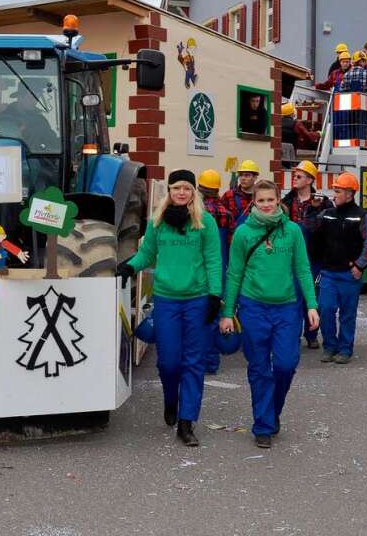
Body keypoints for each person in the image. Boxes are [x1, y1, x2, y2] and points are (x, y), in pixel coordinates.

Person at [117, 170, 221, 447]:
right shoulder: (157, 222)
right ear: (170, 192)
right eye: (177, 188)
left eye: (187, 188)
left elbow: (213, 259)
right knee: (168, 362)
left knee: (193, 363)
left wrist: (215, 295)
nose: (182, 193)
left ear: (194, 192)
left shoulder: (205, 222)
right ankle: (170, 399)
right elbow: (147, 254)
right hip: (166, 300)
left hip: (197, 299)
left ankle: (187, 422)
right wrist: (130, 265)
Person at [219, 180, 318, 449]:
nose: (265, 205)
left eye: (270, 200)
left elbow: (303, 269)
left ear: (278, 201)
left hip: (286, 308)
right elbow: (234, 273)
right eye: (260, 201)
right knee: (260, 368)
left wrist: (311, 305)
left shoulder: (293, 231)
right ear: (254, 203)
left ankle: (273, 411)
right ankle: (263, 424)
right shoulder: (243, 233)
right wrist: (227, 312)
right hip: (253, 308)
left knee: (286, 364)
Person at [309, 172, 367, 364]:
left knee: (348, 314)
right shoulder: (327, 214)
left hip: (349, 275)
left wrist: (359, 266)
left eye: (337, 191)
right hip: (328, 273)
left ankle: (345, 349)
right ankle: (330, 347)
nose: (333, 194)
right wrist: (313, 210)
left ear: (349, 193)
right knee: (326, 309)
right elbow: (310, 228)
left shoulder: (362, 217)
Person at [281, 161, 332, 348]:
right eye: (295, 175)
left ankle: (311, 335)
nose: (295, 178)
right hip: (290, 258)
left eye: (299, 176)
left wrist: (317, 209)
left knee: (312, 297)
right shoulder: (285, 202)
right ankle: (293, 336)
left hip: (314, 257)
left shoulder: (324, 203)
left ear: (310, 180)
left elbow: (327, 229)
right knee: (292, 298)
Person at [198, 168, 233, 376]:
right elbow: (229, 245)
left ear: (200, 189)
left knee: (199, 319)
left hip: (199, 270)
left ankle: (201, 361)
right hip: (220, 269)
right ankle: (212, 362)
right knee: (215, 316)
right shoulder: (226, 214)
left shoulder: (197, 214)